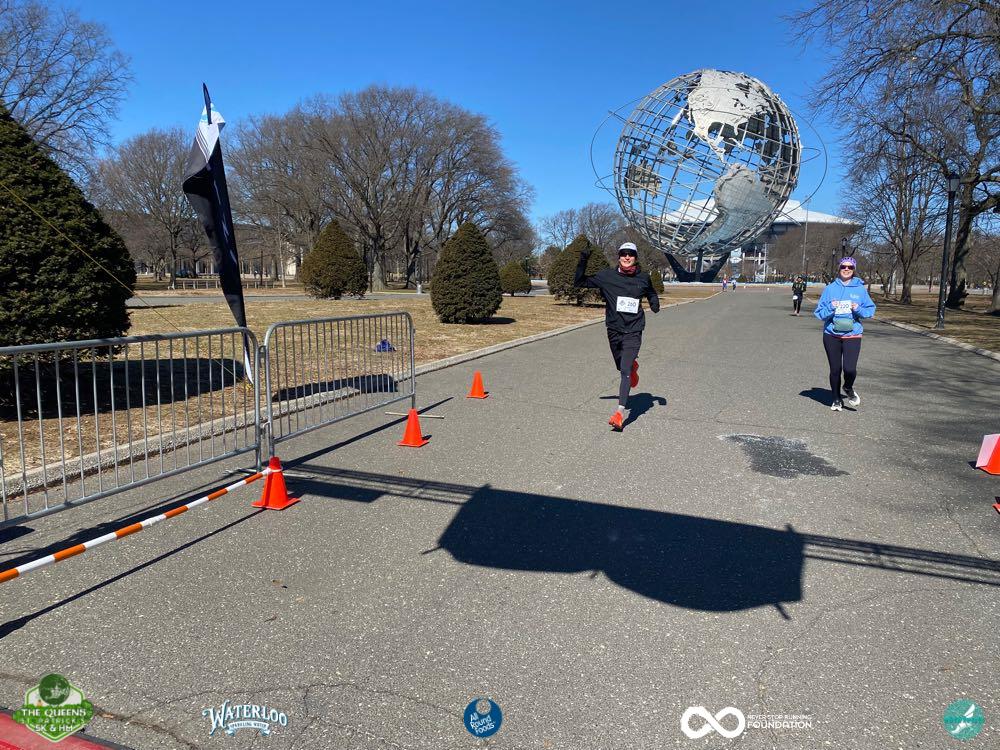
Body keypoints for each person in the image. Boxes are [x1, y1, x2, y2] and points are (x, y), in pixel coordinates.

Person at [575, 241, 660, 430]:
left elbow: (651, 292)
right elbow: (579, 282)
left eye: (631, 254)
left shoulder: (643, 278)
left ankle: (620, 413)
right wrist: (583, 260)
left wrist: (654, 303)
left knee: (624, 370)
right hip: (614, 329)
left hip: (634, 329)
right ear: (619, 256)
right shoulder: (607, 276)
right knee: (621, 366)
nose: (627, 257)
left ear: (635, 258)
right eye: (623, 253)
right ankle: (632, 368)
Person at [813, 257, 876, 411]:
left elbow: (870, 310)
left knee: (849, 369)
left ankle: (848, 387)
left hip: (852, 335)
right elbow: (819, 313)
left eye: (850, 267)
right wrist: (831, 307)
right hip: (831, 335)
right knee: (835, 369)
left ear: (854, 270)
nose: (846, 269)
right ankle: (836, 399)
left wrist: (858, 309)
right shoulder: (830, 289)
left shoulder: (860, 289)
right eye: (843, 266)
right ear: (839, 268)